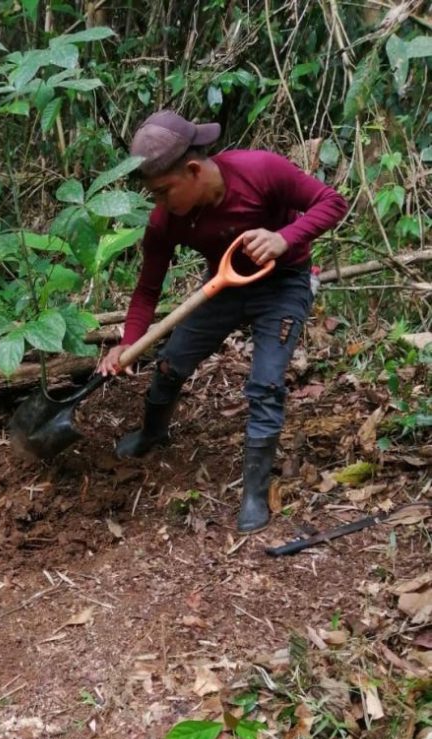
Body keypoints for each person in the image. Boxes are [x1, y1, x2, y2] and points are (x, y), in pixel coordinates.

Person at [98, 110, 347, 533]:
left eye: (163, 191)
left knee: (265, 383)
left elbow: (332, 202)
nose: (159, 204)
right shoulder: (166, 220)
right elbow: (147, 289)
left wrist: (284, 237)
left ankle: (254, 489)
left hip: (285, 283)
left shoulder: (260, 170)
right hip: (225, 287)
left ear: (193, 170)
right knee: (169, 363)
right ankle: (152, 434)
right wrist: (130, 342)